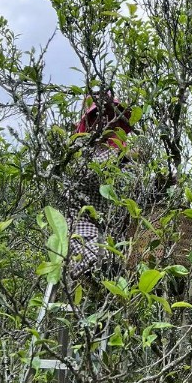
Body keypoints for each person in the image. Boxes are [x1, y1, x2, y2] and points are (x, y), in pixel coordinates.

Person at [65, 93, 136, 278]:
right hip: (83, 225)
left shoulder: (124, 160)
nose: (107, 120)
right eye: (100, 115)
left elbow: (135, 192)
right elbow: (92, 173)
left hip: (113, 232)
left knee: (117, 265)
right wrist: (123, 157)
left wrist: (160, 184)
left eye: (112, 115)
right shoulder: (82, 150)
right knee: (97, 261)